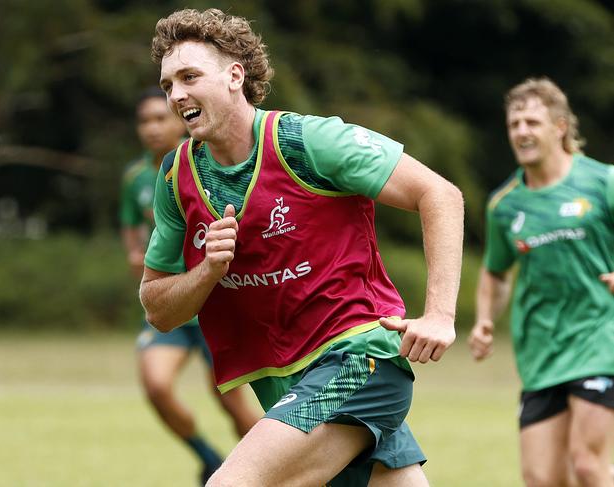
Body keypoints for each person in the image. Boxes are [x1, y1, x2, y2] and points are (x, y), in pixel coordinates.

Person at [139, 8, 464, 486]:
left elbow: (439, 194)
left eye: (190, 76)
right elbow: (158, 308)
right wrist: (207, 270)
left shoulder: (307, 141)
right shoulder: (175, 175)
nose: (176, 94)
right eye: (168, 84)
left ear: (234, 76)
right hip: (287, 383)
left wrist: (439, 315)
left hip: (359, 359)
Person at [469, 77, 614, 487]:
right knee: (542, 479)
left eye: (532, 122)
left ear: (560, 127)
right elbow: (496, 272)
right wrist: (484, 320)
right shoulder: (505, 204)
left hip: (600, 338)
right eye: (514, 124)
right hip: (541, 351)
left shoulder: (603, 182)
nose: (521, 132)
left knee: (587, 465)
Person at [119, 86, 259, 484]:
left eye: (160, 118)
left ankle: (273, 471)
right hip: (172, 308)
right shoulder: (134, 178)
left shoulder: (202, 162)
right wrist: (134, 254)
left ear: (179, 118)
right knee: (156, 385)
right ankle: (210, 458)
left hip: (216, 306)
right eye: (144, 120)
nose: (152, 128)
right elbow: (129, 226)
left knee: (232, 406)